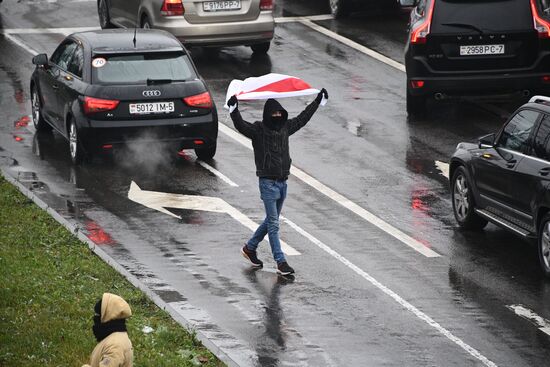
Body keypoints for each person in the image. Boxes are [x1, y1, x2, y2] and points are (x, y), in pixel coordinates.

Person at [227, 88, 328, 275]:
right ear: (267, 114)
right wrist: (234, 111)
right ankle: (280, 262)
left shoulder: (286, 127)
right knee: (273, 224)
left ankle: (250, 248)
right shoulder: (258, 130)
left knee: (270, 221)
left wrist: (316, 101)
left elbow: (302, 119)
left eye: (279, 113)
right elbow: (242, 126)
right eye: (273, 113)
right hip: (267, 183)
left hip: (283, 183)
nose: (277, 115)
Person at [82, 293, 134, 367]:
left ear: (108, 315)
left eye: (98, 314)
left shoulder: (114, 345)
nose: (95, 317)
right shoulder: (116, 336)